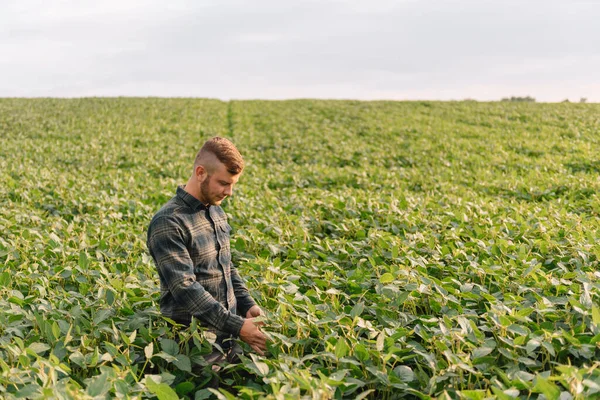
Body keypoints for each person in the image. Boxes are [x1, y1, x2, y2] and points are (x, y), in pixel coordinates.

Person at [147, 137, 267, 363]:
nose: (229, 192)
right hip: (193, 349)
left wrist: (247, 304)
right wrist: (239, 326)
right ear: (200, 172)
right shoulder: (168, 222)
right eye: (223, 183)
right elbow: (185, 289)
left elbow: (226, 267)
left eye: (233, 184)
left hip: (229, 339)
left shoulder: (215, 211)